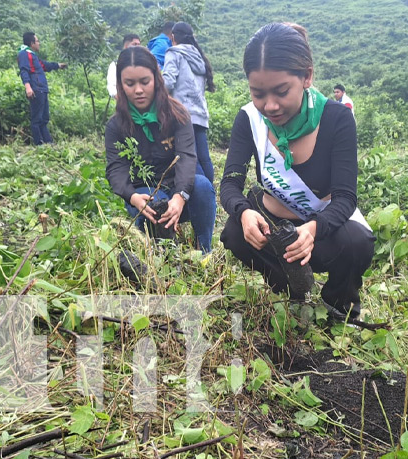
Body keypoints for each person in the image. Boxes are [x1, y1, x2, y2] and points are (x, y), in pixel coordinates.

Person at [219, 23, 375, 320]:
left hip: (321, 227)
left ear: (307, 76)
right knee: (234, 234)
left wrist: (314, 229)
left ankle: (339, 307)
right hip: (271, 224)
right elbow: (229, 184)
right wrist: (243, 213)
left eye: (281, 92)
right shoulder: (249, 119)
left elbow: (344, 198)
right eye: (258, 94)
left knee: (357, 244)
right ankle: (290, 290)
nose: (270, 106)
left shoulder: (337, 118)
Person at [105, 46, 216, 253]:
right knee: (154, 203)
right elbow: (116, 170)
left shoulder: (178, 114)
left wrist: (180, 195)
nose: (138, 90)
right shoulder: (116, 126)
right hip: (142, 192)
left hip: (177, 188)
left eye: (144, 82)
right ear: (120, 85)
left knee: (202, 185)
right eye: (129, 83)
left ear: (156, 79)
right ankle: (162, 253)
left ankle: (204, 251)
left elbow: (186, 158)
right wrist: (131, 196)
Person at [163, 22, 215, 185]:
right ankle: (210, 192)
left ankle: (204, 192)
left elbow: (168, 82)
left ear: (173, 37)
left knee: (189, 157)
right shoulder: (198, 56)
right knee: (204, 158)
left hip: (182, 114)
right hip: (200, 115)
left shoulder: (174, 53)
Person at [18, 32, 67, 145]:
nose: (39, 43)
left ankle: (48, 143)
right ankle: (39, 144)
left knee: (44, 118)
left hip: (42, 89)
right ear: (32, 43)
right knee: (37, 119)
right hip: (36, 89)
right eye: (37, 41)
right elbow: (24, 71)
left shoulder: (32, 55)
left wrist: (58, 65)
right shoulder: (24, 54)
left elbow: (44, 65)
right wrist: (28, 87)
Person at [106, 33, 140, 99]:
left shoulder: (144, 62)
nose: (137, 47)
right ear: (126, 46)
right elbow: (111, 86)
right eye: (134, 44)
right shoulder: (116, 64)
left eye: (139, 45)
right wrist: (121, 99)